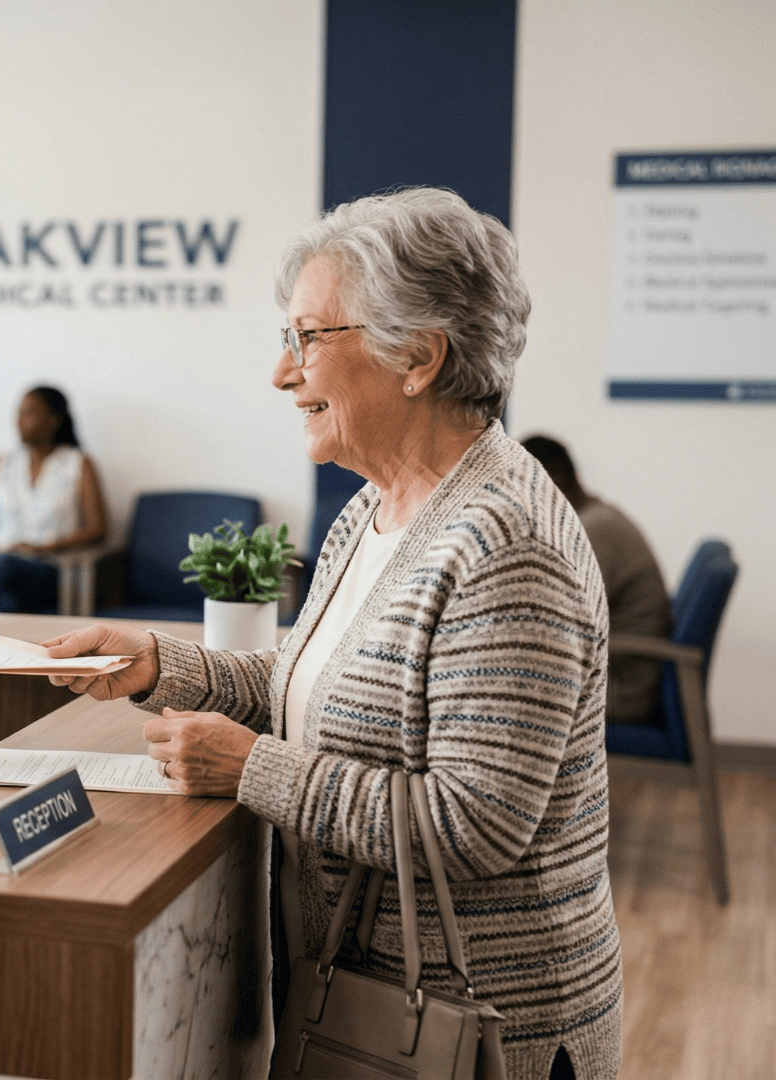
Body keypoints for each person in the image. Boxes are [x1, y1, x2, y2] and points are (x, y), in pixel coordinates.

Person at [42, 189, 620, 1079]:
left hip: (484, 1031)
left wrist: (250, 769)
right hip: (369, 1003)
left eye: (309, 338)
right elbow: (316, 682)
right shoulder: (376, 504)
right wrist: (161, 665)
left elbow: (473, 826)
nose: (283, 373)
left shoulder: (508, 546)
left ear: (418, 356)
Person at [521, 434, 673, 723]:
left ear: (557, 479)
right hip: (612, 674)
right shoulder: (596, 518)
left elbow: (553, 618)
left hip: (620, 689)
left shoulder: (597, 532)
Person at [0, 386, 106, 613]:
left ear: (54, 419)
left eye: (29, 412)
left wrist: (43, 548)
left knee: (2, 569)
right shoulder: (0, 464)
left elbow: (97, 529)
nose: (19, 421)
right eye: (18, 413)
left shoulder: (78, 464)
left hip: (51, 566)